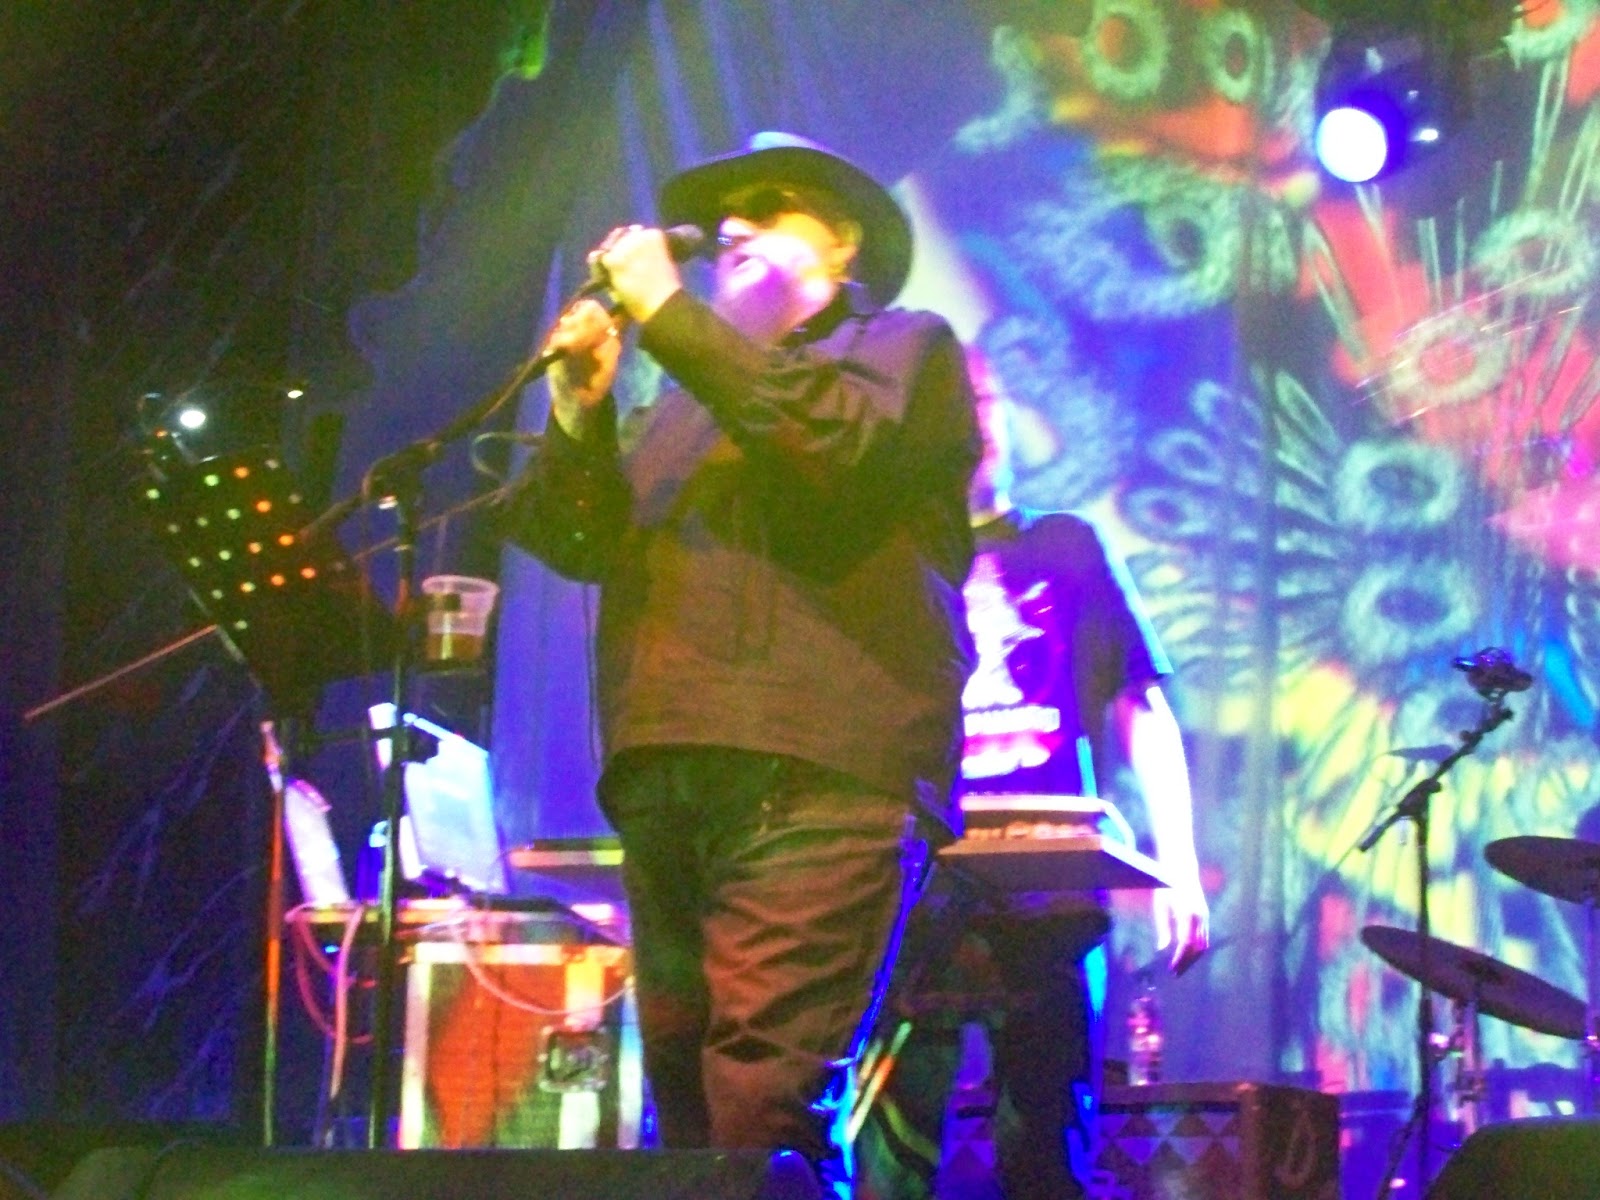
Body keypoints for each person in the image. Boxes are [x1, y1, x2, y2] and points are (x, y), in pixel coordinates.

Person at [499, 132, 980, 1192]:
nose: (731, 226)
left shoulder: (901, 348)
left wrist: (670, 316)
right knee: (686, 1125)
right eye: (725, 216)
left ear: (843, 244)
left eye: (770, 205)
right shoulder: (676, 408)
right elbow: (578, 543)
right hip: (668, 770)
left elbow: (832, 448)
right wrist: (578, 414)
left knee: (762, 1108)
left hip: (820, 769)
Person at [856, 357, 1210, 1199]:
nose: (979, 420)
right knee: (890, 1157)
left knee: (1046, 1147)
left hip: (1051, 897)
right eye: (959, 405)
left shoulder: (1065, 545)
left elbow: (1141, 704)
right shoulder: (895, 565)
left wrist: (1180, 864)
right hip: (921, 894)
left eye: (987, 400)